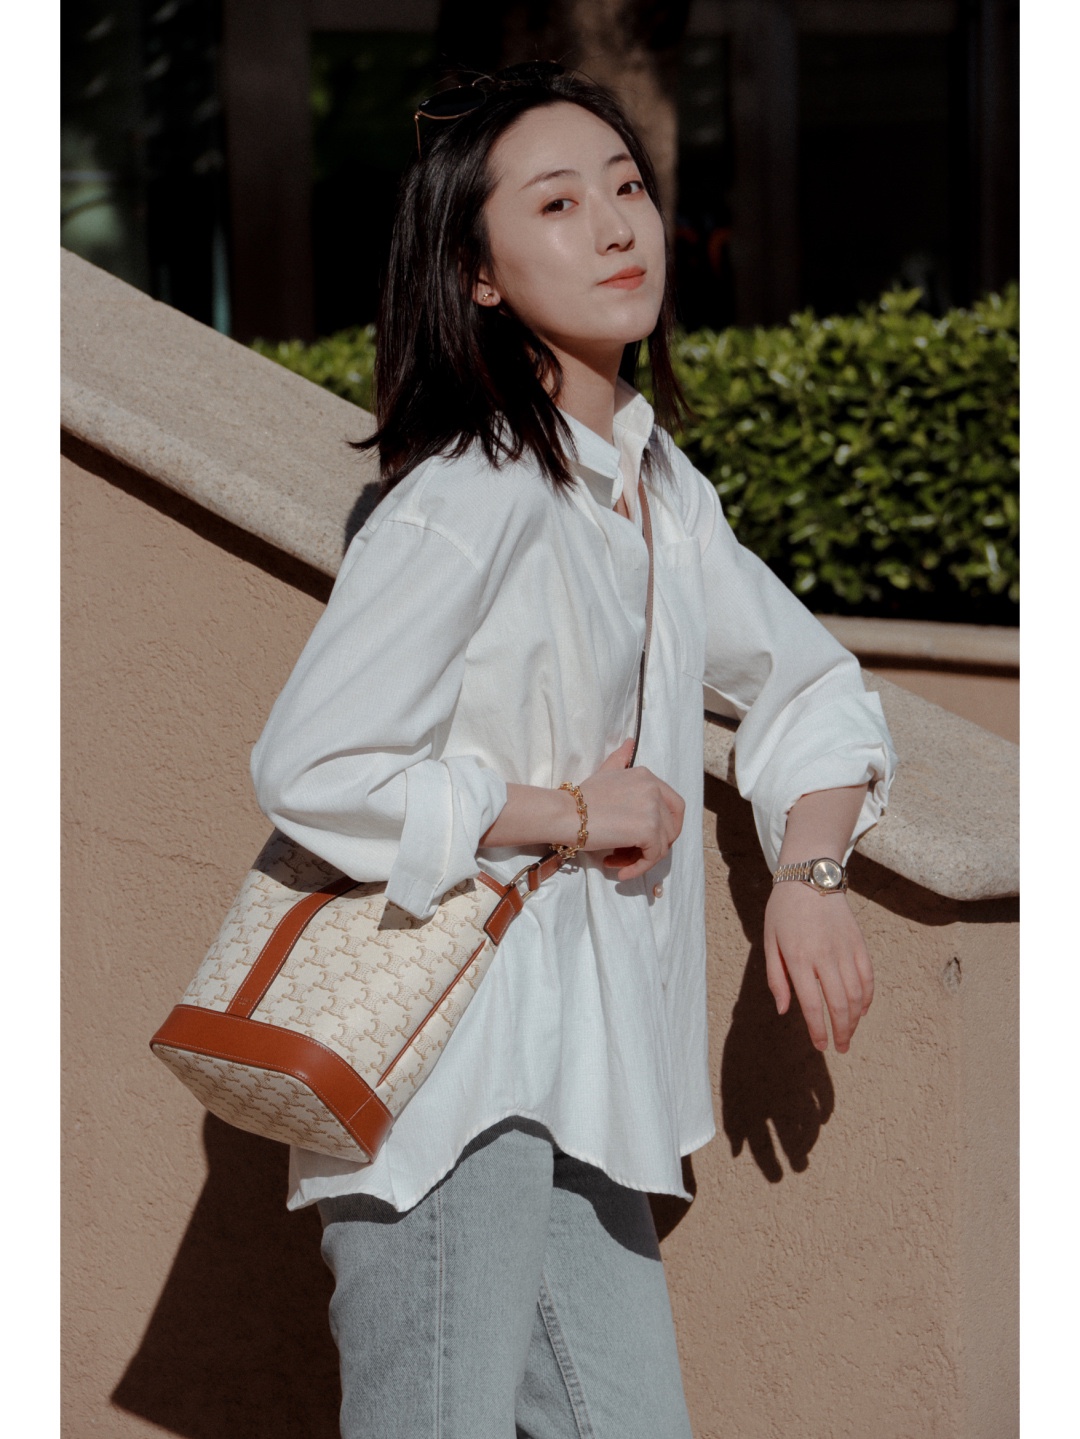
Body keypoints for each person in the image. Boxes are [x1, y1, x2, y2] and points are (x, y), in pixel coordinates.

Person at [251, 65, 896, 1439]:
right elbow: (312, 768)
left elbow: (809, 683)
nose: (615, 225)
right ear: (477, 274)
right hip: (453, 1078)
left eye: (627, 187)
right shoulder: (468, 492)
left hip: (585, 1081)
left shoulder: (658, 492)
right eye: (556, 203)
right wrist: (569, 812)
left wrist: (810, 874)